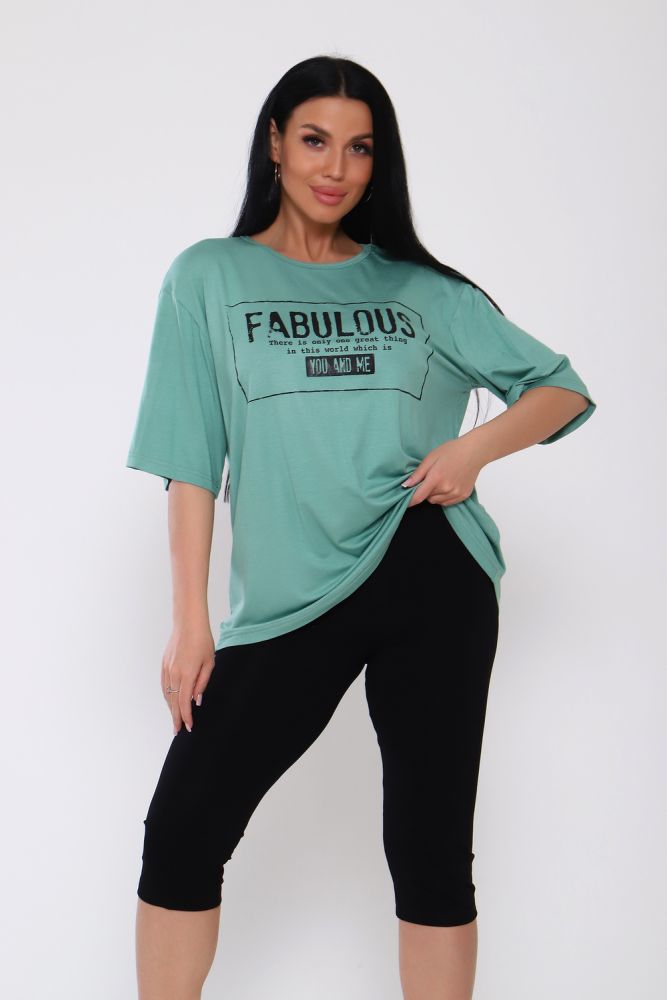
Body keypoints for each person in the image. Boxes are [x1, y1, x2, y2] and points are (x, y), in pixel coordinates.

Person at [126, 55, 596, 1000]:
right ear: (274, 143)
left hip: (430, 571)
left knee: (428, 849)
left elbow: (559, 389)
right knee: (184, 830)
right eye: (314, 140)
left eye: (359, 147)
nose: (335, 167)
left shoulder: (421, 291)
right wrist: (190, 618)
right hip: (293, 592)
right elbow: (191, 457)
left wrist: (471, 452)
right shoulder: (209, 276)